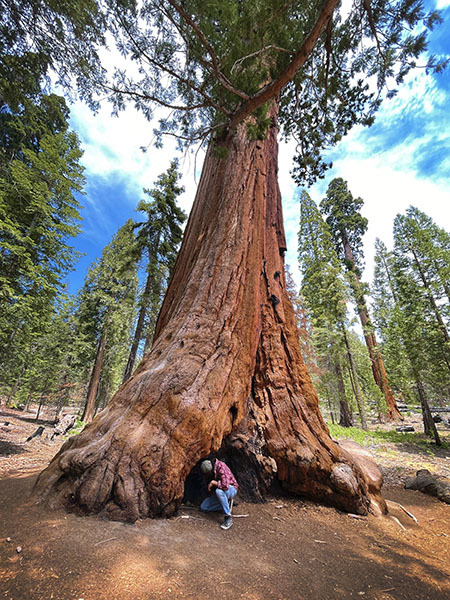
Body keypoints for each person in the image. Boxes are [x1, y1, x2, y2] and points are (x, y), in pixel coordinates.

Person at [200, 458, 238, 530]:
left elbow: (225, 486)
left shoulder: (221, 466)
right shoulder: (212, 469)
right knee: (204, 507)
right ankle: (226, 504)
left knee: (219, 491)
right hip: (221, 491)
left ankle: (228, 517)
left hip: (231, 489)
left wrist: (213, 482)